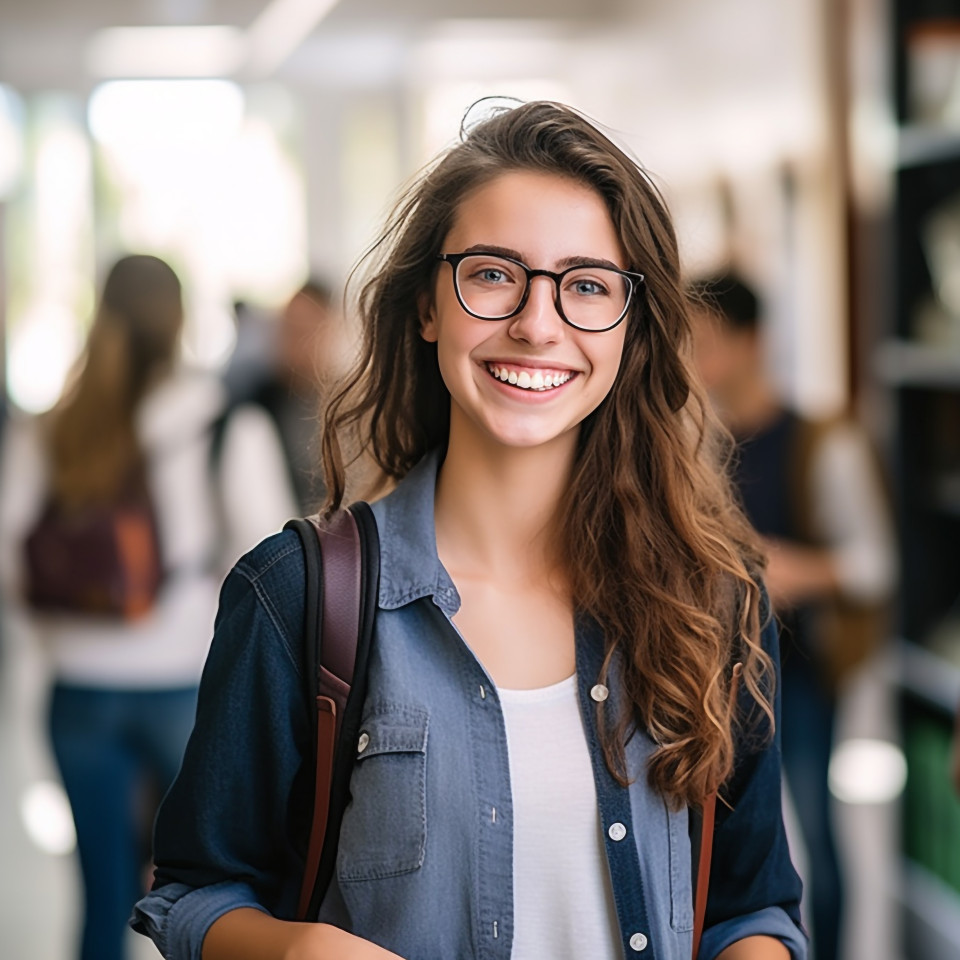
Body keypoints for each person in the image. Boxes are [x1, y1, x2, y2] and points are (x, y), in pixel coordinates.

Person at [131, 101, 807, 960]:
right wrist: (299, 950)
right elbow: (194, 890)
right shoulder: (300, 596)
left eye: (588, 285)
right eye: (493, 274)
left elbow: (754, 906)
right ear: (426, 307)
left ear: (631, 331)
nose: (536, 321)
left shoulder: (714, 599)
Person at [0, 254, 295, 960]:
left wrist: (66, 624)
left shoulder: (52, 428)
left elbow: (11, 553)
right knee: (216, 902)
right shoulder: (221, 421)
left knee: (103, 901)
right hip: (186, 693)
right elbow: (272, 567)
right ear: (180, 319)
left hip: (77, 691)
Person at [690, 271, 897, 960]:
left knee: (812, 831)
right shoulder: (696, 447)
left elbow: (875, 563)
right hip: (715, 674)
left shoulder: (821, 442)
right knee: (730, 845)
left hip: (803, 671)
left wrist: (789, 570)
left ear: (754, 341)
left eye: (708, 341)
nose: (694, 358)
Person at [219, 279, 348, 515]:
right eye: (287, 329)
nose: (294, 342)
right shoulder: (253, 403)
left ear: (331, 330)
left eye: (305, 331)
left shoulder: (351, 407)